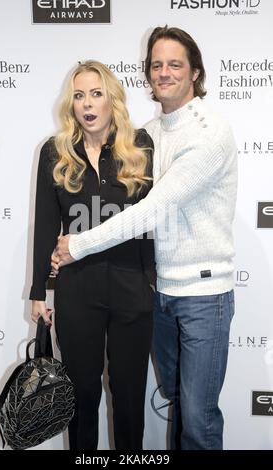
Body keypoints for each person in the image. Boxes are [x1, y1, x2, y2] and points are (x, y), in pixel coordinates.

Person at [52, 27, 238, 450]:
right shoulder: (148, 136)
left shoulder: (209, 131)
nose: (164, 72)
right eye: (157, 65)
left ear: (195, 72)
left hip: (203, 296)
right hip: (159, 292)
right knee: (177, 404)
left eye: (175, 64)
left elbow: (153, 211)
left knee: (197, 416)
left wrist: (76, 244)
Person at [29, 60, 156, 450]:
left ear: (112, 99)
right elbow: (47, 225)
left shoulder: (140, 147)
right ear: (72, 104)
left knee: (130, 397)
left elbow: (150, 220)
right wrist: (38, 291)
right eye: (80, 95)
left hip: (132, 290)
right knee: (82, 396)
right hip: (77, 292)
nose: (88, 103)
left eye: (96, 93)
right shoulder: (56, 152)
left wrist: (154, 282)